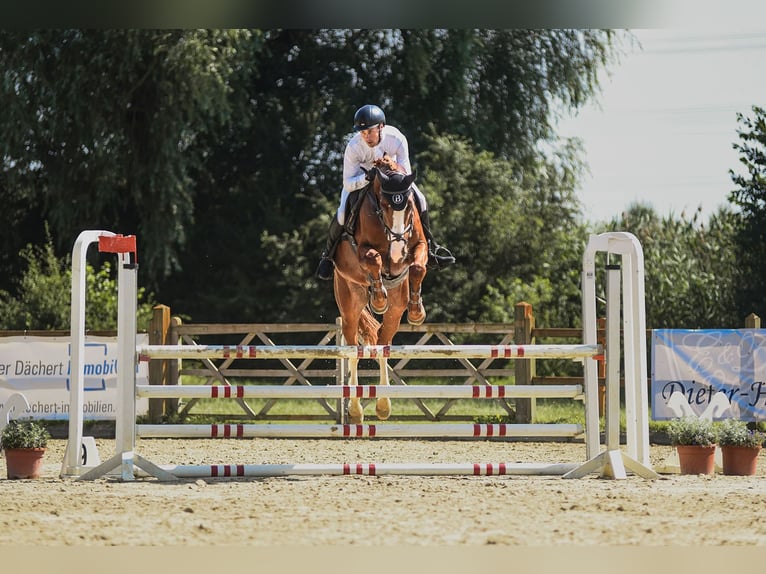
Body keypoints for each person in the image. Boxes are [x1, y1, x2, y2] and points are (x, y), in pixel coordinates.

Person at [316, 104, 455, 281]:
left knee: (421, 198)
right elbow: (348, 183)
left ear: (381, 126)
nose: (366, 136)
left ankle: (432, 248)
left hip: (392, 180)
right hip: (360, 181)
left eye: (370, 131)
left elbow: (406, 172)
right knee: (342, 212)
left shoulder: (396, 138)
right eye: (362, 132)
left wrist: (389, 172)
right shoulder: (353, 147)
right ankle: (327, 256)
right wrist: (368, 179)